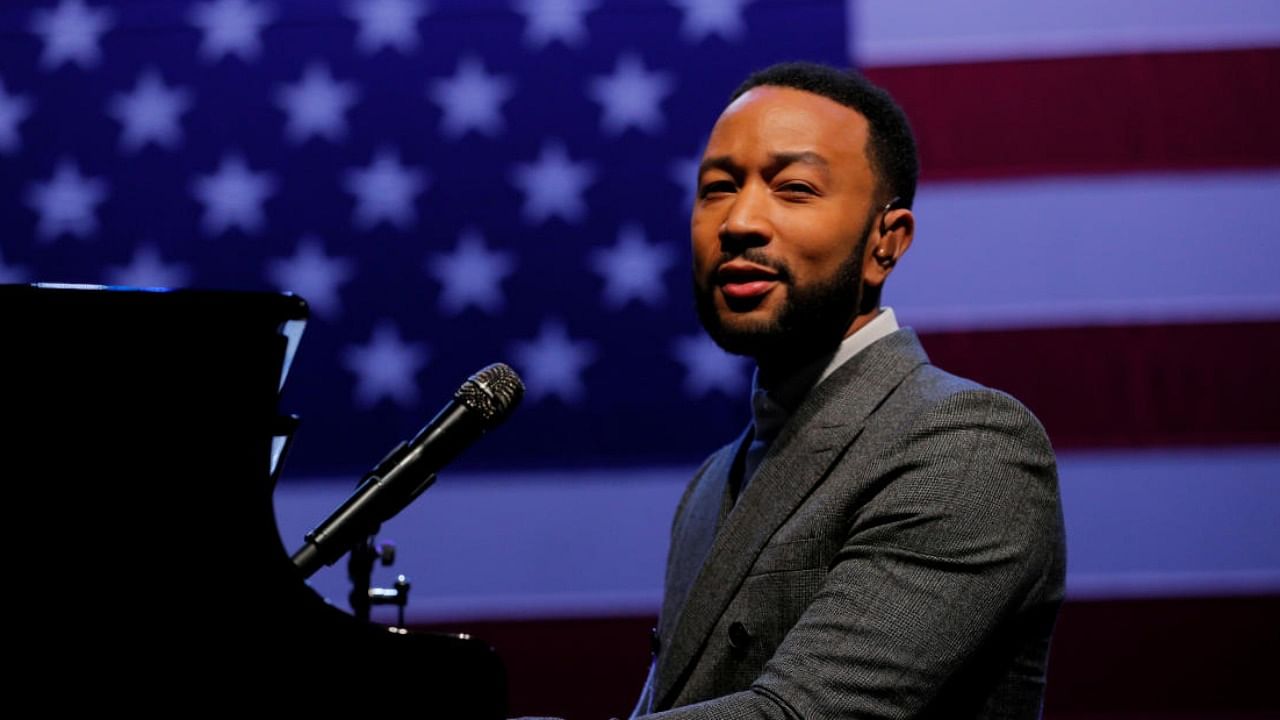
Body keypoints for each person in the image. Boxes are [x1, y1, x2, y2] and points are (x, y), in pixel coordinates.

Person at [626, 61, 1067, 718]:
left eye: (795, 187)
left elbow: (802, 714)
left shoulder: (968, 447)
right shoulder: (712, 484)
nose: (740, 220)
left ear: (885, 243)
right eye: (717, 187)